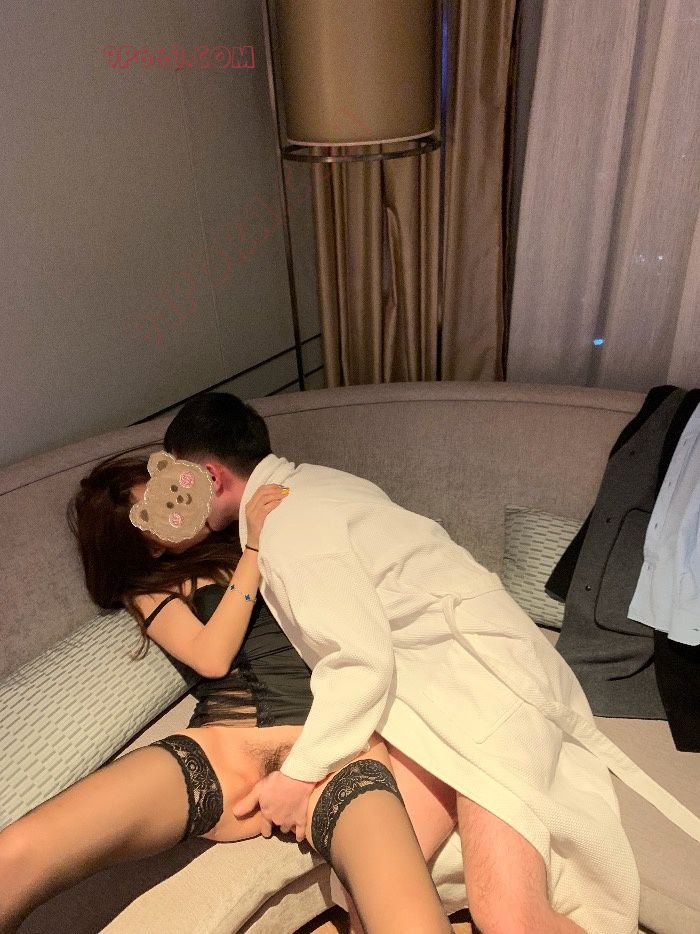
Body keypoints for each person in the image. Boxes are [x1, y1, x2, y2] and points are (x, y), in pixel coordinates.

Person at [164, 391, 700, 934]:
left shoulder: (292, 526)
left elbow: (361, 664)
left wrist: (296, 777)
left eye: (177, 489)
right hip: (440, 692)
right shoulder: (315, 485)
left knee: (509, 918)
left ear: (210, 476)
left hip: (482, 683)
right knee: (368, 893)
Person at [0, 455, 458, 934]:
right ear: (151, 546)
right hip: (223, 749)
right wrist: (253, 553)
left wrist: (255, 538)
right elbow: (211, 657)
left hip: (333, 748)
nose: (184, 501)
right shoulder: (155, 588)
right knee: (20, 850)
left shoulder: (261, 524)